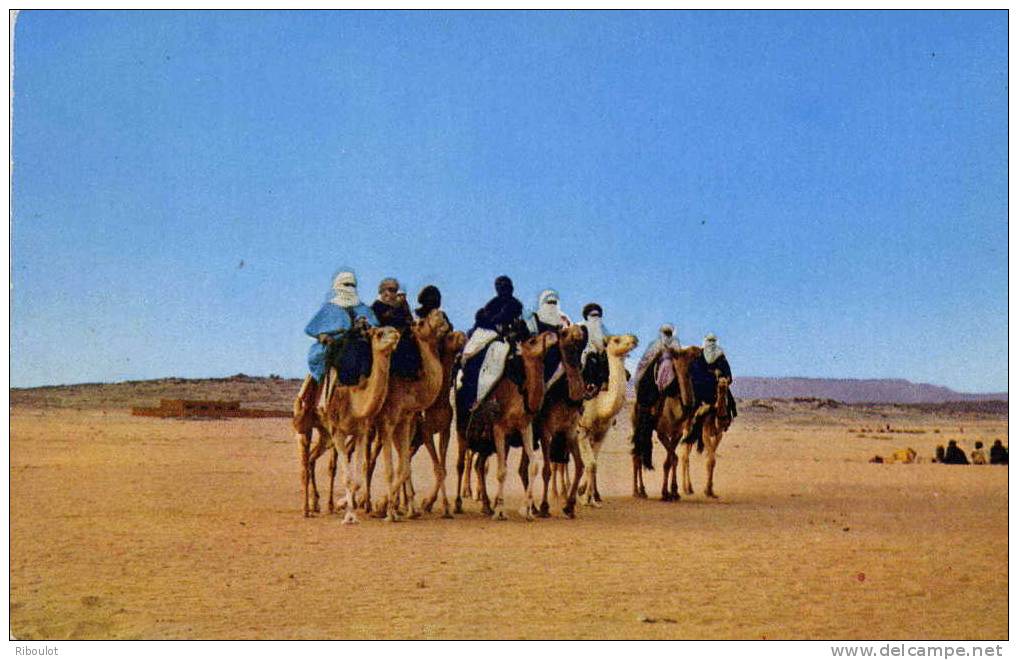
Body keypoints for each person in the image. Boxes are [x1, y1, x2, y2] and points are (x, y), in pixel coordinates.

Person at [456, 276, 527, 414]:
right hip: (490, 338)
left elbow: (521, 327)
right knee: (474, 360)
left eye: (505, 285)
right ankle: (474, 400)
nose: (503, 288)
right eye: (500, 286)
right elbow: (484, 322)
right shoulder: (492, 305)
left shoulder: (516, 306)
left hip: (510, 341)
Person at [304, 268, 378, 385]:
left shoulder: (364, 308)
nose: (350, 288)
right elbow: (312, 328)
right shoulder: (330, 308)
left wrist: (367, 327)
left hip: (361, 343)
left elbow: (375, 326)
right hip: (336, 343)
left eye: (352, 285)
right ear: (338, 285)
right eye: (346, 284)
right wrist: (323, 335)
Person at [371, 277, 420, 379]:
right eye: (390, 290)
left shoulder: (400, 308)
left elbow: (407, 321)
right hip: (384, 342)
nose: (392, 294)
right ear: (382, 291)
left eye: (394, 291)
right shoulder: (376, 307)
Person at [578, 303, 611, 394]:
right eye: (593, 315)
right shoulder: (581, 326)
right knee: (591, 359)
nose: (596, 317)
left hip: (601, 354)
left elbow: (608, 340)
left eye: (598, 315)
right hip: (585, 354)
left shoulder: (602, 328)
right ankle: (590, 385)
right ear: (587, 316)